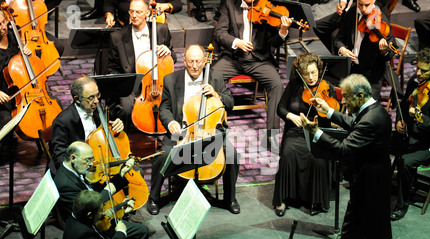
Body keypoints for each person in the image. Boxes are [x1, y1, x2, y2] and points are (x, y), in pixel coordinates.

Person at [301, 74, 392, 239]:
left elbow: (344, 149)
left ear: (360, 96)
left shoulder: (370, 120)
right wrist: (329, 111)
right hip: (377, 180)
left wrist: (316, 132)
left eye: (348, 98)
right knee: (370, 234)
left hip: (368, 184)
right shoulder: (374, 110)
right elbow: (354, 123)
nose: (344, 102)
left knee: (352, 231)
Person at [147, 44, 240, 215]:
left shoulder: (216, 78)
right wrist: (170, 123)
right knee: (164, 156)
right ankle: (154, 198)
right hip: (182, 132)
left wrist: (217, 95)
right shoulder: (171, 79)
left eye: (198, 61)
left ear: (204, 61)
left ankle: (230, 199)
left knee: (232, 155)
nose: (194, 66)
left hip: (210, 130)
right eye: (190, 62)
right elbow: (164, 108)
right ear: (184, 61)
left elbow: (230, 103)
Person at [54, 141, 150, 239]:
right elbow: (92, 205)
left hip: (97, 216)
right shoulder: (65, 183)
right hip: (90, 225)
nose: (91, 164)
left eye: (92, 160)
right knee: (138, 232)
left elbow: (95, 192)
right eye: (87, 160)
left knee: (141, 231)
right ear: (73, 158)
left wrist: (120, 174)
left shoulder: (75, 169)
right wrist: (119, 225)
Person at [212, 0, 292, 150]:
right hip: (233, 58)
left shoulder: (266, 6)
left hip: (259, 60)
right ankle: (212, 130)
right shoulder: (229, 4)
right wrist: (236, 42)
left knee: (277, 85)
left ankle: (271, 137)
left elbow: (273, 43)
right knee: (211, 79)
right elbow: (219, 33)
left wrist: (282, 31)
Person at [390, 48, 430, 221]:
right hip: (411, 134)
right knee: (379, 142)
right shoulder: (414, 82)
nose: (419, 73)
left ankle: (401, 205)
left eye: (424, 71)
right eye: (418, 69)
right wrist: (400, 121)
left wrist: (420, 117)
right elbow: (403, 106)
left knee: (405, 162)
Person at [272, 53, 333, 217]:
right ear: (301, 73)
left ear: (319, 71)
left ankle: (315, 198)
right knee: (287, 154)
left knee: (316, 158)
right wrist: (291, 116)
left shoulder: (327, 88)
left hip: (316, 133)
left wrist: (323, 112)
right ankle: (283, 198)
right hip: (295, 131)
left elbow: (333, 118)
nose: (311, 78)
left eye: (314, 73)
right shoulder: (294, 85)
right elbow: (281, 108)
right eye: (307, 74)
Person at [106, 0, 175, 133]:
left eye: (138, 12)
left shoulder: (161, 30)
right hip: (130, 86)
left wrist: (168, 52)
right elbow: (112, 68)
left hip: (156, 83)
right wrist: (123, 83)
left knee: (175, 104)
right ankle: (123, 143)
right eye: (131, 11)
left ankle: (171, 141)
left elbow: (173, 60)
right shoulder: (117, 37)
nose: (134, 15)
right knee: (125, 109)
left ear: (147, 13)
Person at [50, 75, 124, 174]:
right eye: (91, 98)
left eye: (97, 95)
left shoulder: (96, 109)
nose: (97, 101)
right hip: (77, 169)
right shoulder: (62, 122)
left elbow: (102, 134)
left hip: (98, 162)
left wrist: (115, 126)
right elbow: (60, 157)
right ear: (77, 99)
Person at [334, 0, 395, 100]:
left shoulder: (382, 19)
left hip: (372, 74)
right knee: (346, 100)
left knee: (366, 106)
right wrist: (342, 49)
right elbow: (338, 39)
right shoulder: (353, 12)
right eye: (360, 5)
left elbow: (390, 54)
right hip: (353, 69)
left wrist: (384, 51)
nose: (363, 9)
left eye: (367, 5)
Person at [0, 10, 32, 163]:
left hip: (20, 90)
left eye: (4, 22)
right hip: (3, 97)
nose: (3, 27)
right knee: (6, 119)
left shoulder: (14, 36)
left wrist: (26, 52)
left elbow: (26, 65)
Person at [313, 0, 389, 55]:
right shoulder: (352, 11)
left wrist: (362, 6)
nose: (364, 8)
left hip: (370, 17)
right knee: (316, 26)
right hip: (349, 13)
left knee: (335, 35)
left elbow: (379, 4)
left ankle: (341, 55)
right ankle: (339, 54)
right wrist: (343, 1)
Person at [103, 0, 182, 27]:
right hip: (126, 28)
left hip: (155, 29)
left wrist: (165, 6)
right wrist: (109, 14)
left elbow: (178, 4)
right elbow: (109, 3)